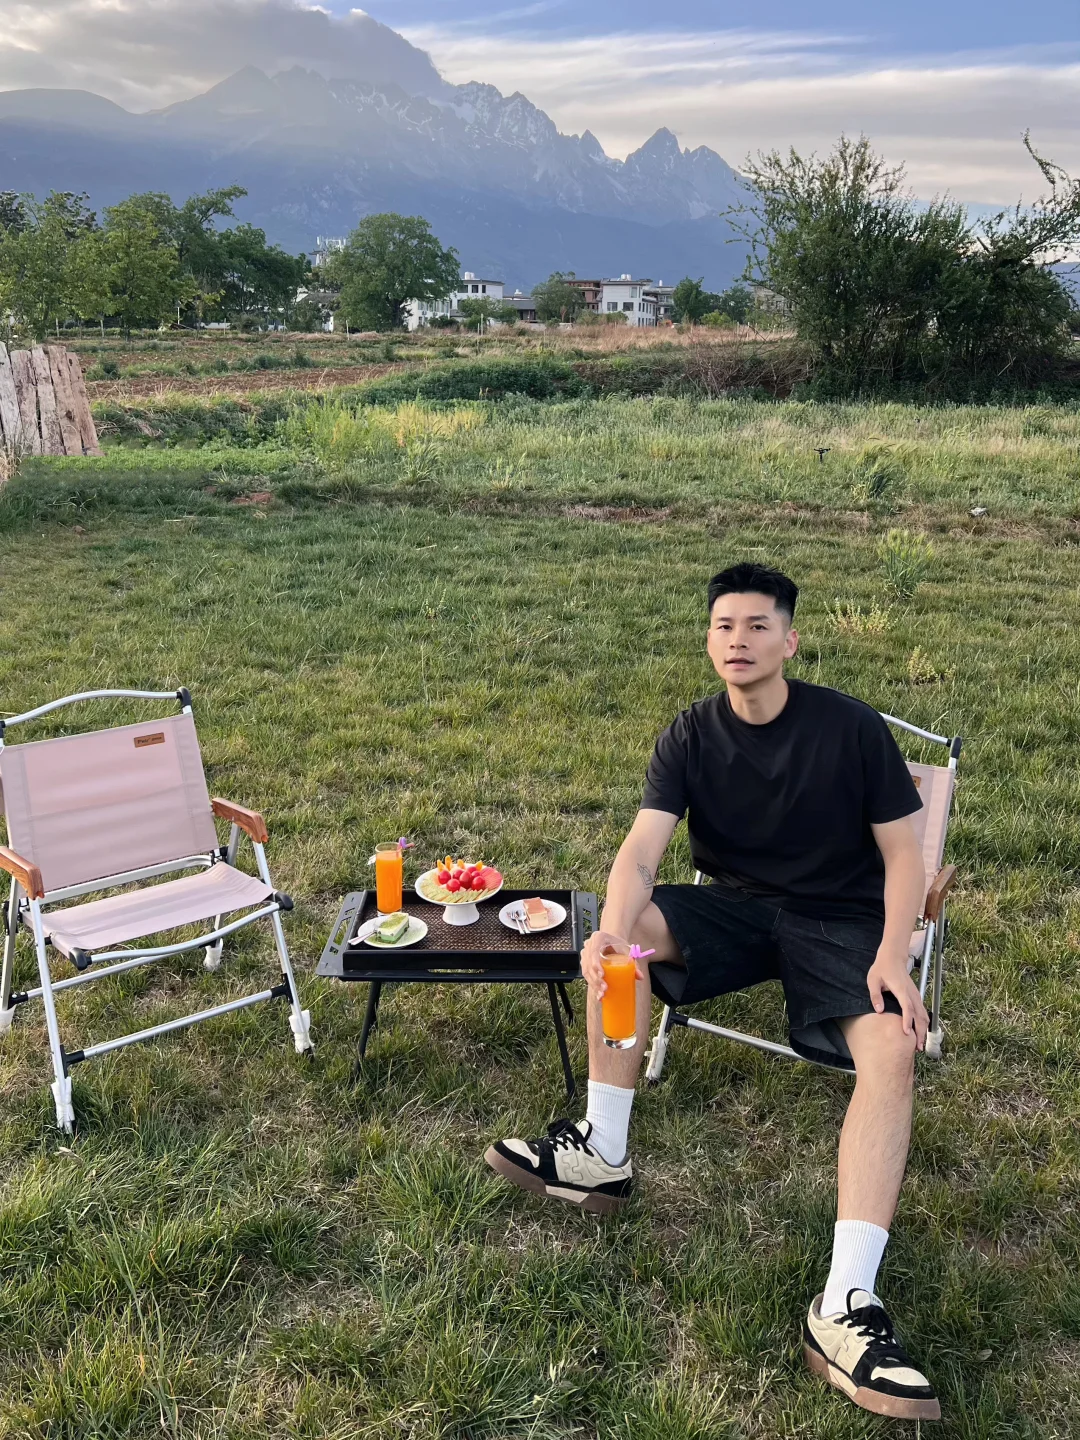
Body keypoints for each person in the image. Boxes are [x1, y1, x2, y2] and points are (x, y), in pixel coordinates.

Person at [485, 561, 941, 1422]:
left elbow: (903, 856)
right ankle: (603, 1150)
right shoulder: (690, 734)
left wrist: (892, 954)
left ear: (790, 641)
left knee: (890, 1046)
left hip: (837, 919)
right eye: (725, 626)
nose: (740, 640)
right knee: (624, 949)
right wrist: (613, 928)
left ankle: (846, 1306)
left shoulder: (850, 729)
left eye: (758, 626)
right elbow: (640, 853)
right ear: (708, 639)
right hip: (735, 907)